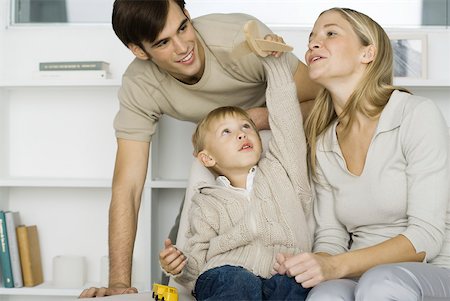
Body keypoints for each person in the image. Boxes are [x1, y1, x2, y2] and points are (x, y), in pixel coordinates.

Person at [79, 0, 320, 298]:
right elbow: (127, 186)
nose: (182, 47)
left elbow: (330, 99)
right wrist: (118, 284)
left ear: (188, 15)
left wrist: (257, 118)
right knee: (178, 274)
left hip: (280, 153)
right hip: (223, 171)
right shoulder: (140, 85)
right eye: (164, 42)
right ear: (139, 51)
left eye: (183, 27)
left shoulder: (236, 39)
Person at [273, 7, 450, 300]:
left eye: (330, 33)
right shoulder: (324, 141)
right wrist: (312, 265)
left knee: (382, 283)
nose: (313, 43)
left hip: (433, 270)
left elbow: (426, 237)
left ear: (367, 53)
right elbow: (332, 236)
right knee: (324, 295)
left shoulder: (416, 115)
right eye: (311, 38)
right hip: (359, 275)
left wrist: (335, 265)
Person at [159, 53, 314, 300]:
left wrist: (275, 65)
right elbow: (196, 264)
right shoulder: (207, 202)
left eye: (246, 127)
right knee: (237, 282)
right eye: (227, 132)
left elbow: (287, 122)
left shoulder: (281, 170)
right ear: (208, 158)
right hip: (225, 273)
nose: (241, 134)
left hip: (282, 270)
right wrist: (179, 267)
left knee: (296, 284)